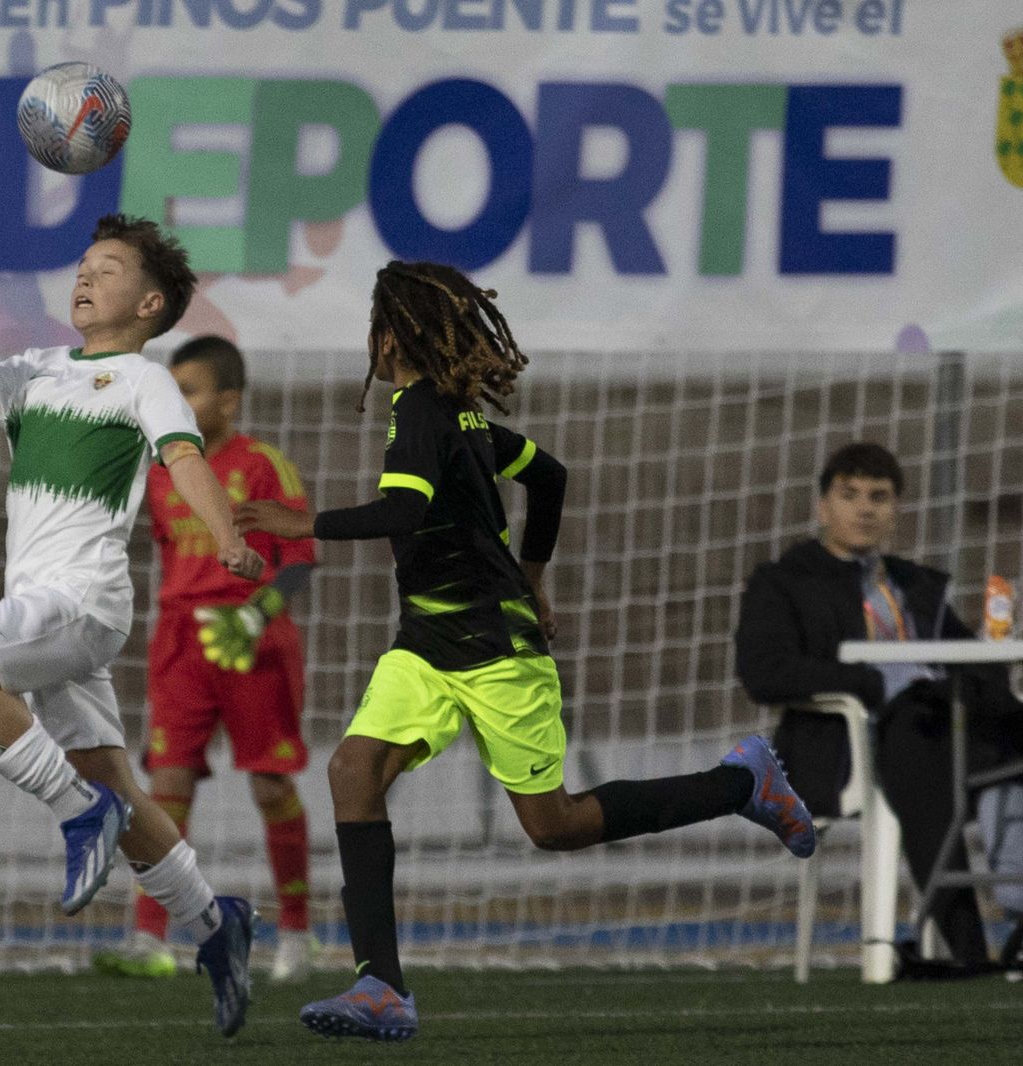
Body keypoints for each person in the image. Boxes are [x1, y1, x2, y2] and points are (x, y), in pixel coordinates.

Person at [237, 261, 817, 1043]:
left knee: (555, 825)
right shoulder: (458, 417)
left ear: (387, 341)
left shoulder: (423, 413)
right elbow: (549, 476)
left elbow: (405, 510)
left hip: (494, 651)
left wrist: (298, 522)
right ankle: (381, 986)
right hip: (427, 646)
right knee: (352, 771)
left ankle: (741, 781)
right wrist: (533, 578)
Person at [0, 214, 265, 1036]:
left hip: (80, 598)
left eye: (109, 267)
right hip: (49, 614)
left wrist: (227, 537)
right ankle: (215, 923)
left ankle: (75, 812)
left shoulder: (144, 380)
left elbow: (185, 458)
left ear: (150, 303)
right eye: (85, 265)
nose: (87, 276)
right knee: (119, 787)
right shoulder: (34, 371)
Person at [735, 442, 1023, 972]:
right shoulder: (784, 582)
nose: (865, 509)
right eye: (850, 495)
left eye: (879, 497)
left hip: (944, 723)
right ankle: (967, 951)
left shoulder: (916, 585)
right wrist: (871, 681)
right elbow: (765, 672)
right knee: (918, 733)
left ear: (896, 509)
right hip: (852, 740)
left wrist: (989, 662)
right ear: (823, 506)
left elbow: (972, 662)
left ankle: (1015, 916)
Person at [93, 336, 318, 983]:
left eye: (189, 390)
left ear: (228, 401)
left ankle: (297, 935)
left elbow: (301, 559)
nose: (178, 401)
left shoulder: (265, 465)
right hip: (181, 644)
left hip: (254, 641)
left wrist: (256, 614)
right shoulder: (162, 470)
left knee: (271, 785)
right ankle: (150, 936)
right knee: (166, 785)